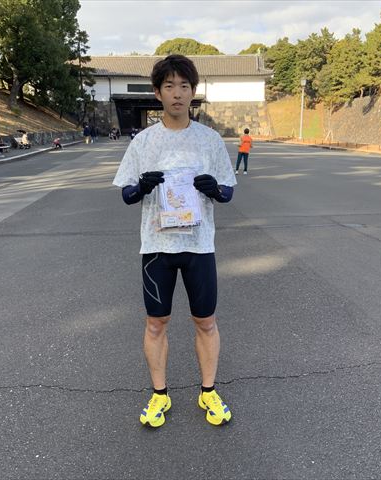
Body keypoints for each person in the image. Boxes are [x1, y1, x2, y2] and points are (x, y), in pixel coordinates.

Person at [113, 54, 236, 428]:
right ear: (157, 93)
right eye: (169, 86)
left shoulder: (209, 140)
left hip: (199, 246)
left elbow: (228, 191)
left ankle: (208, 391)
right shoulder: (143, 142)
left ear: (193, 91)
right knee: (156, 323)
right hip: (157, 248)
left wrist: (215, 190)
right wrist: (141, 187)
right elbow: (126, 194)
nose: (177, 93)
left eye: (184, 86)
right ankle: (159, 394)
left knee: (206, 321)